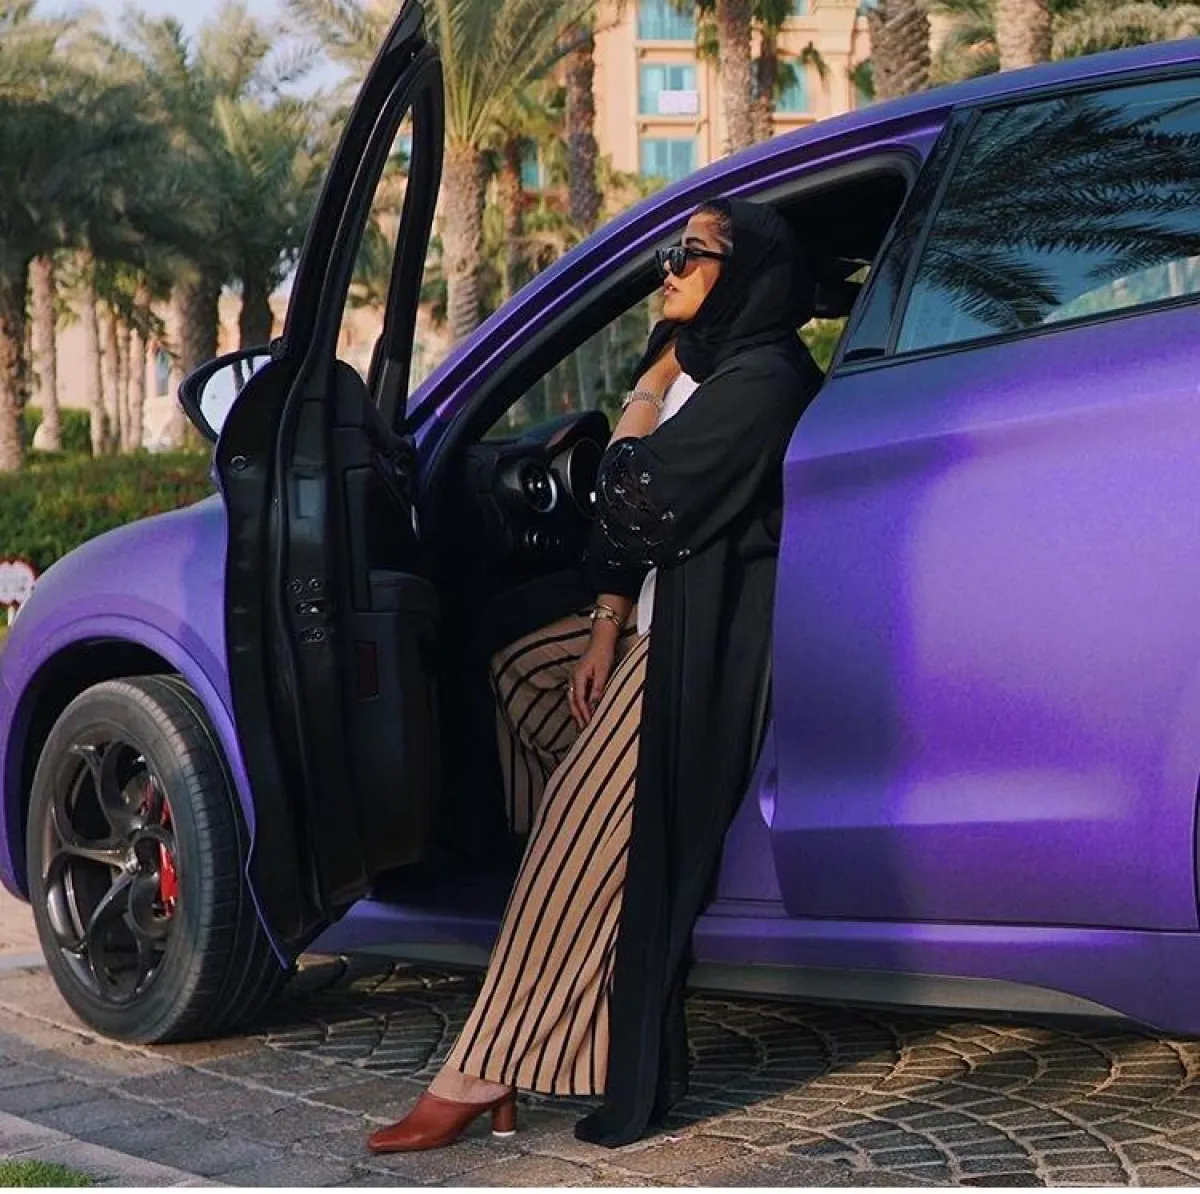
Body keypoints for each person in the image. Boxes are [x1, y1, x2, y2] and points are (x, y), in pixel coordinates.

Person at [366, 196, 825, 1154]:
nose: (669, 271)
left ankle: (486, 1065)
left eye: (691, 254)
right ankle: (586, 898)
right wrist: (604, 628)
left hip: (691, 656)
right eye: (669, 254)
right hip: (646, 625)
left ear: (746, 273)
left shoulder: (765, 379)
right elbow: (623, 545)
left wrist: (646, 389)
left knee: (573, 832)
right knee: (511, 661)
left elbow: (631, 498)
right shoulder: (709, 366)